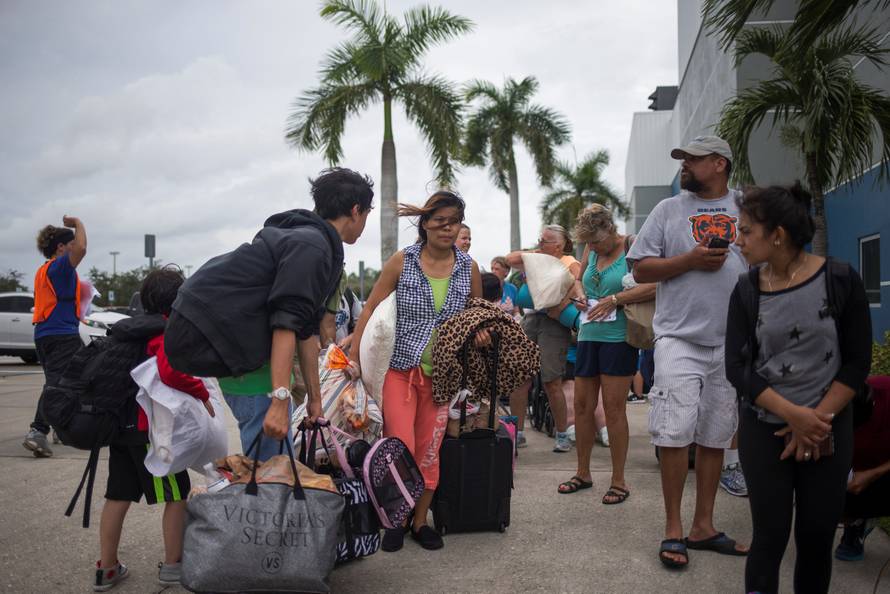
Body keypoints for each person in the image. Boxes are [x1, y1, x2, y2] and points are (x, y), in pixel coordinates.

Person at [725, 182, 871, 593]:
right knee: (768, 539)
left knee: (815, 540)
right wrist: (795, 417)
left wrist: (816, 421)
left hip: (828, 430)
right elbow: (737, 367)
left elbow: (857, 362)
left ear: (778, 235)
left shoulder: (840, 280)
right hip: (764, 428)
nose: (738, 240)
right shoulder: (747, 289)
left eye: (746, 231)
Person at [167, 168, 373, 461]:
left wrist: (315, 399)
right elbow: (286, 323)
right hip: (252, 372)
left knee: (270, 473)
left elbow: (305, 330)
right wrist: (279, 399)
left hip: (245, 361)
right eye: (366, 214)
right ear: (356, 211)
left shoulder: (307, 241)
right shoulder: (311, 246)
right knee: (267, 479)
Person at [627, 136, 749, 568]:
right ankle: (673, 529)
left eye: (693, 160)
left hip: (731, 340)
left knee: (715, 435)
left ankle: (704, 526)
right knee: (674, 432)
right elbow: (640, 266)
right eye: (683, 159)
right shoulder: (668, 210)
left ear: (719, 163)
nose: (684, 166)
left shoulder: (747, 206)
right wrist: (690, 260)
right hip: (678, 337)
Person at [350, 191, 484, 553]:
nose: (446, 227)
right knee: (401, 447)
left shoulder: (467, 266)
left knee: (429, 452)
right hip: (400, 371)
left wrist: (482, 332)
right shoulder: (402, 261)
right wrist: (354, 353)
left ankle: (419, 522)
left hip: (443, 376)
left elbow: (476, 314)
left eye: (453, 221)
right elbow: (371, 307)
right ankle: (396, 518)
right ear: (424, 224)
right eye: (439, 220)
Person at [95, 267, 214, 591]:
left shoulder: (127, 330)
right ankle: (173, 565)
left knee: (118, 495)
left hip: (121, 428)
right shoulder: (163, 331)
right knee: (176, 496)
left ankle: (106, 568)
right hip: (151, 433)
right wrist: (202, 394)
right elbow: (170, 373)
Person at [558, 205, 656, 504]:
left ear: (612, 231)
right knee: (583, 406)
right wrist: (579, 295)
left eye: (598, 242)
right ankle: (583, 472)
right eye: (590, 244)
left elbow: (656, 284)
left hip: (618, 339)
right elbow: (578, 279)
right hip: (588, 335)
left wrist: (616, 299)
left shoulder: (633, 245)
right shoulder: (592, 249)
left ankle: (618, 480)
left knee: (614, 410)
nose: (595, 248)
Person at [507, 225, 584, 453]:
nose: (541, 242)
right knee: (519, 378)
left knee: (552, 381)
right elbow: (510, 258)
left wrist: (560, 306)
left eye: (546, 240)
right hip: (531, 320)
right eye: (541, 239)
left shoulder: (570, 261)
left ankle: (562, 434)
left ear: (559, 245)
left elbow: (579, 286)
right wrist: (536, 253)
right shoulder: (536, 258)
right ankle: (516, 433)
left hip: (553, 323)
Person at [24, 216, 87, 458]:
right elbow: (82, 248)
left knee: (65, 381)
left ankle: (60, 425)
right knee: (58, 384)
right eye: (70, 243)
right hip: (61, 335)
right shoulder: (60, 266)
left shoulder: (44, 270)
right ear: (61, 247)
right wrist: (78, 223)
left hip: (46, 334)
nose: (75, 246)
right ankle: (37, 431)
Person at [836, 375, 890, 562]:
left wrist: (871, 474)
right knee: (829, 503)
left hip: (883, 469)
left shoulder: (885, 391)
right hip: (855, 470)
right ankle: (856, 524)